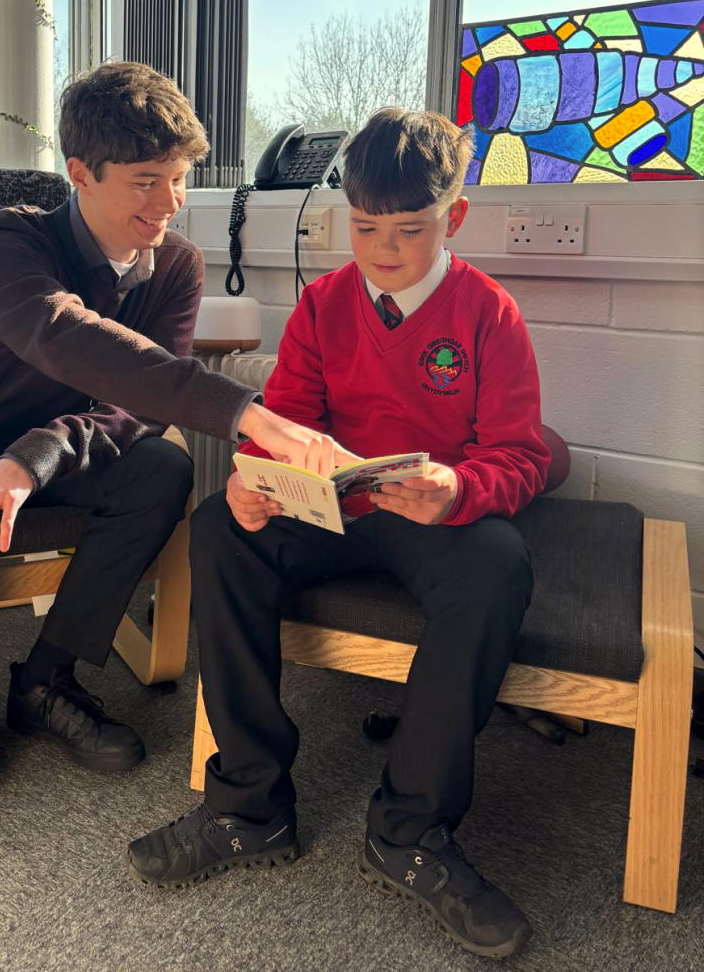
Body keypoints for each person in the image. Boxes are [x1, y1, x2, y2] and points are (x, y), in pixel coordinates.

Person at [126, 107, 551, 960]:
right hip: (332, 509)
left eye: (409, 230)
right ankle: (249, 806)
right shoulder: (324, 303)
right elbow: (283, 420)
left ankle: (410, 830)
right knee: (219, 529)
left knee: (500, 565)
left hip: (430, 516)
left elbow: (523, 454)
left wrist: (459, 488)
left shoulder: (489, 313)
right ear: (344, 219)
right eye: (364, 229)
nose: (384, 250)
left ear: (453, 218)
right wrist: (255, 481)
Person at [0, 62, 341, 823]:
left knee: (160, 469)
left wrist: (33, 459)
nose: (170, 205)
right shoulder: (4, 243)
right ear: (80, 173)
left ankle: (45, 683)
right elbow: (69, 339)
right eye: (146, 182)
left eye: (180, 180)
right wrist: (248, 414)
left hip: (65, 452)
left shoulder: (179, 266)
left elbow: (135, 410)